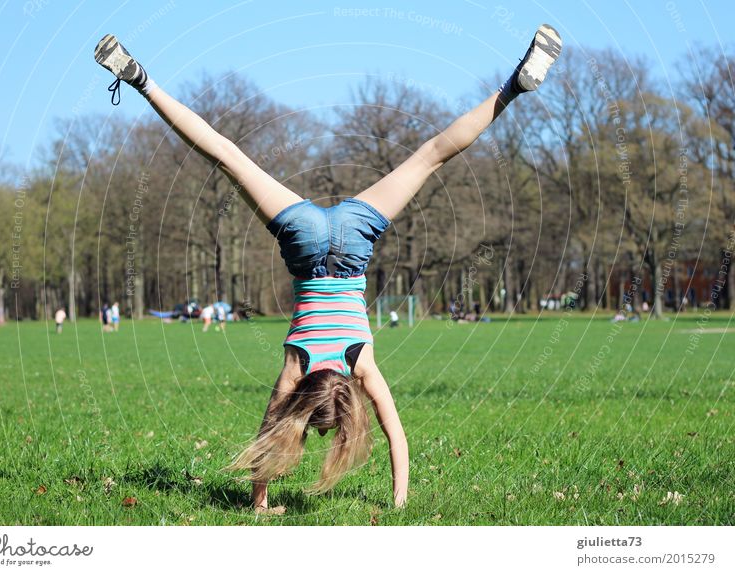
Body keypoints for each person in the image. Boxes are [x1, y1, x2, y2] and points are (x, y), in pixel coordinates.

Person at [94, 24, 561, 512]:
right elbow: (269, 430)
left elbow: (395, 431)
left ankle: (511, 89)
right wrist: (259, 501)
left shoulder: (361, 363)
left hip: (353, 240)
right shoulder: (295, 366)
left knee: (430, 156)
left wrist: (400, 500)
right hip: (305, 237)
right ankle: (140, 77)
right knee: (227, 156)